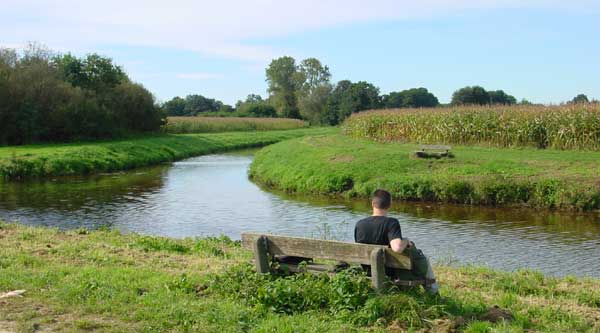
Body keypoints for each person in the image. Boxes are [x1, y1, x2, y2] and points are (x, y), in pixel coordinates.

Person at [354, 189, 439, 294]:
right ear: (390, 205)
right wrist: (406, 240)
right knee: (424, 258)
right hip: (389, 271)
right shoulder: (391, 223)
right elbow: (397, 248)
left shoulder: (360, 224)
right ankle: (433, 294)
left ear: (372, 204)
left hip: (368, 270)